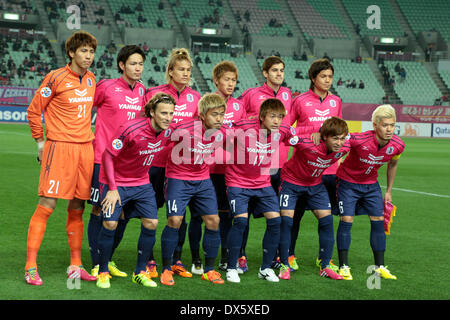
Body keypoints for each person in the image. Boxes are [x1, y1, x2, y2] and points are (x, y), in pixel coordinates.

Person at [25, 30, 98, 285]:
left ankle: (75, 265)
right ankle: (30, 266)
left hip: (84, 150)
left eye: (91, 52)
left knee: (78, 207)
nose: (88, 56)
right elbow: (34, 112)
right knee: (47, 204)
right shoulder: (54, 78)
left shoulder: (91, 79)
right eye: (83, 51)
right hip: (59, 148)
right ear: (71, 53)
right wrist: (40, 142)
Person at [95, 93, 176, 289]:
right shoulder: (130, 129)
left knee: (152, 222)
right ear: (151, 113)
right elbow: (107, 156)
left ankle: (139, 272)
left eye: (171, 113)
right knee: (111, 224)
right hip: (116, 182)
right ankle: (103, 270)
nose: (168, 117)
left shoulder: (168, 131)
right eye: (163, 113)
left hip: (141, 183)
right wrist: (112, 189)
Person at [87, 45, 146, 278]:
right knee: (99, 208)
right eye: (133, 63)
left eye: (140, 63)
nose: (138, 67)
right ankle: (95, 263)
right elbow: (84, 109)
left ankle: (107, 259)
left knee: (121, 214)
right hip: (102, 158)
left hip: (127, 164)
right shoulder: (106, 86)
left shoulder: (142, 91)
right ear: (122, 65)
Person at [224, 98, 299, 283]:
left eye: (280, 117)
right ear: (262, 116)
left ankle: (265, 269)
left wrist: (312, 136)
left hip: (263, 183)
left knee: (276, 222)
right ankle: (231, 267)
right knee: (240, 222)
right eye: (272, 116)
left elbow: (295, 136)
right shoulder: (243, 126)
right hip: (238, 182)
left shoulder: (281, 131)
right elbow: (222, 130)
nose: (276, 120)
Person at [159, 93, 228, 286]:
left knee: (214, 220)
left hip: (202, 181)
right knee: (175, 220)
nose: (219, 119)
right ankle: (166, 268)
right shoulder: (184, 128)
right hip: (178, 179)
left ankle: (209, 270)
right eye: (215, 115)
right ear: (203, 115)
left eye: (222, 115)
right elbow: (161, 136)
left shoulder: (220, 132)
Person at [144, 48, 201, 279]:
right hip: (155, 162)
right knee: (150, 213)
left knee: (180, 215)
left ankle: (176, 259)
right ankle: (148, 259)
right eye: (181, 69)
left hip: (180, 167)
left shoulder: (196, 98)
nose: (186, 73)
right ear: (170, 71)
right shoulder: (154, 94)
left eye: (188, 70)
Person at [336, 104, 405, 281]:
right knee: (346, 221)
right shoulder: (358, 139)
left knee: (379, 221)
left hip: (371, 185)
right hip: (348, 184)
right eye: (385, 125)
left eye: (392, 125)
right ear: (375, 125)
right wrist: (338, 162)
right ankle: (343, 266)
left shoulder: (398, 145)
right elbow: (338, 147)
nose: (389, 129)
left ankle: (380, 267)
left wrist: (389, 190)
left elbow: (393, 164)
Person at [238, 55, 293, 272]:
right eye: (275, 70)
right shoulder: (251, 95)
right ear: (265, 73)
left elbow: (289, 127)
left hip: (278, 165)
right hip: (254, 165)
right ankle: (241, 256)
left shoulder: (288, 94)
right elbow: (238, 120)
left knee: (277, 216)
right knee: (246, 215)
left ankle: (275, 257)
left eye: (281, 70)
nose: (279, 74)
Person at [278, 117, 350, 281]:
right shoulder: (307, 143)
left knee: (327, 221)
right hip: (291, 183)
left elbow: (359, 139)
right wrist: (312, 132)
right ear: (325, 137)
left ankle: (324, 266)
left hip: (315, 185)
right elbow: (285, 134)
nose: (339, 143)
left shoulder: (344, 147)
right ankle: (283, 264)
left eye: (341, 138)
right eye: (335, 138)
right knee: (287, 222)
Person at [288, 58, 342, 272]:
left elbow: (339, 130)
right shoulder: (300, 100)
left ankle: (324, 258)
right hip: (303, 169)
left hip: (329, 170)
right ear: (313, 78)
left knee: (326, 217)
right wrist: (308, 133)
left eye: (330, 76)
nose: (327, 80)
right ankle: (289, 255)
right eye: (323, 76)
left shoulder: (336, 101)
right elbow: (286, 129)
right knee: (295, 216)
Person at [207, 61, 247, 272]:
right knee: (214, 215)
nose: (231, 84)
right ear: (216, 81)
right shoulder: (208, 103)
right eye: (227, 80)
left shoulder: (240, 106)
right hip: (212, 168)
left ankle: (234, 255)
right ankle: (213, 257)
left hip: (233, 170)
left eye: (234, 80)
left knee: (234, 215)